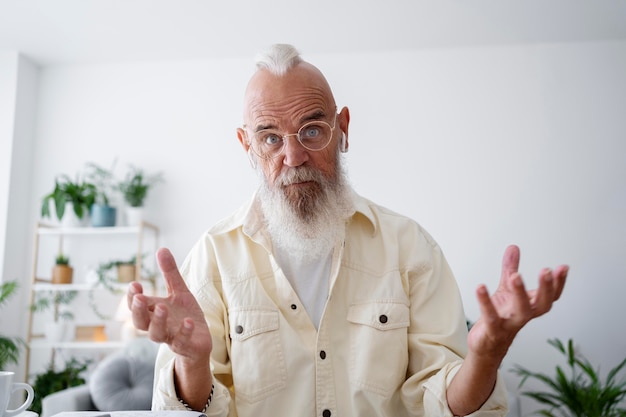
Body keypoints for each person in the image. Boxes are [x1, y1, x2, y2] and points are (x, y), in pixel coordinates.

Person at [128, 44, 568, 417]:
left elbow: (440, 402)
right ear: (247, 146)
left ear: (343, 130)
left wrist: (486, 355)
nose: (294, 155)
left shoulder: (409, 247)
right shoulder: (213, 257)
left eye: (312, 129)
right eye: (270, 138)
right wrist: (192, 362)